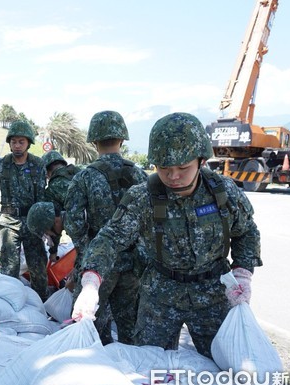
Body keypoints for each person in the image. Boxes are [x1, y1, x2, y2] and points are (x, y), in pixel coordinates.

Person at [72, 112, 263, 358]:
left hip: (213, 296)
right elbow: (110, 239)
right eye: (164, 168)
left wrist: (243, 273)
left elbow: (246, 232)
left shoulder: (223, 193)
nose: (173, 176)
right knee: (149, 369)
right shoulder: (143, 197)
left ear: (201, 160)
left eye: (183, 167)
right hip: (160, 298)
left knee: (223, 366)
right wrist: (91, 281)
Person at [64, 110, 148, 345]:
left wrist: (86, 251)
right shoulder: (140, 174)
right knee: (129, 325)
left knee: (88, 325)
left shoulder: (85, 177)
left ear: (94, 141)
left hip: (97, 268)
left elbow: (73, 220)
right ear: (122, 140)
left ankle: (96, 372)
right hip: (132, 263)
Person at [0, 121, 49, 301]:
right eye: (13, 142)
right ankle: (8, 304)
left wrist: (46, 227)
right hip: (8, 219)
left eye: (21, 142)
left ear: (28, 143)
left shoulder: (38, 165)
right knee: (8, 268)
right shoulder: (1, 165)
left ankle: (40, 305)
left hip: (32, 221)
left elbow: (42, 196)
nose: (17, 145)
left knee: (38, 267)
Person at [40, 150, 80, 262]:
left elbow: (56, 222)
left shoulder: (52, 190)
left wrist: (53, 252)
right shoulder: (80, 173)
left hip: (80, 232)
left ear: (47, 171)